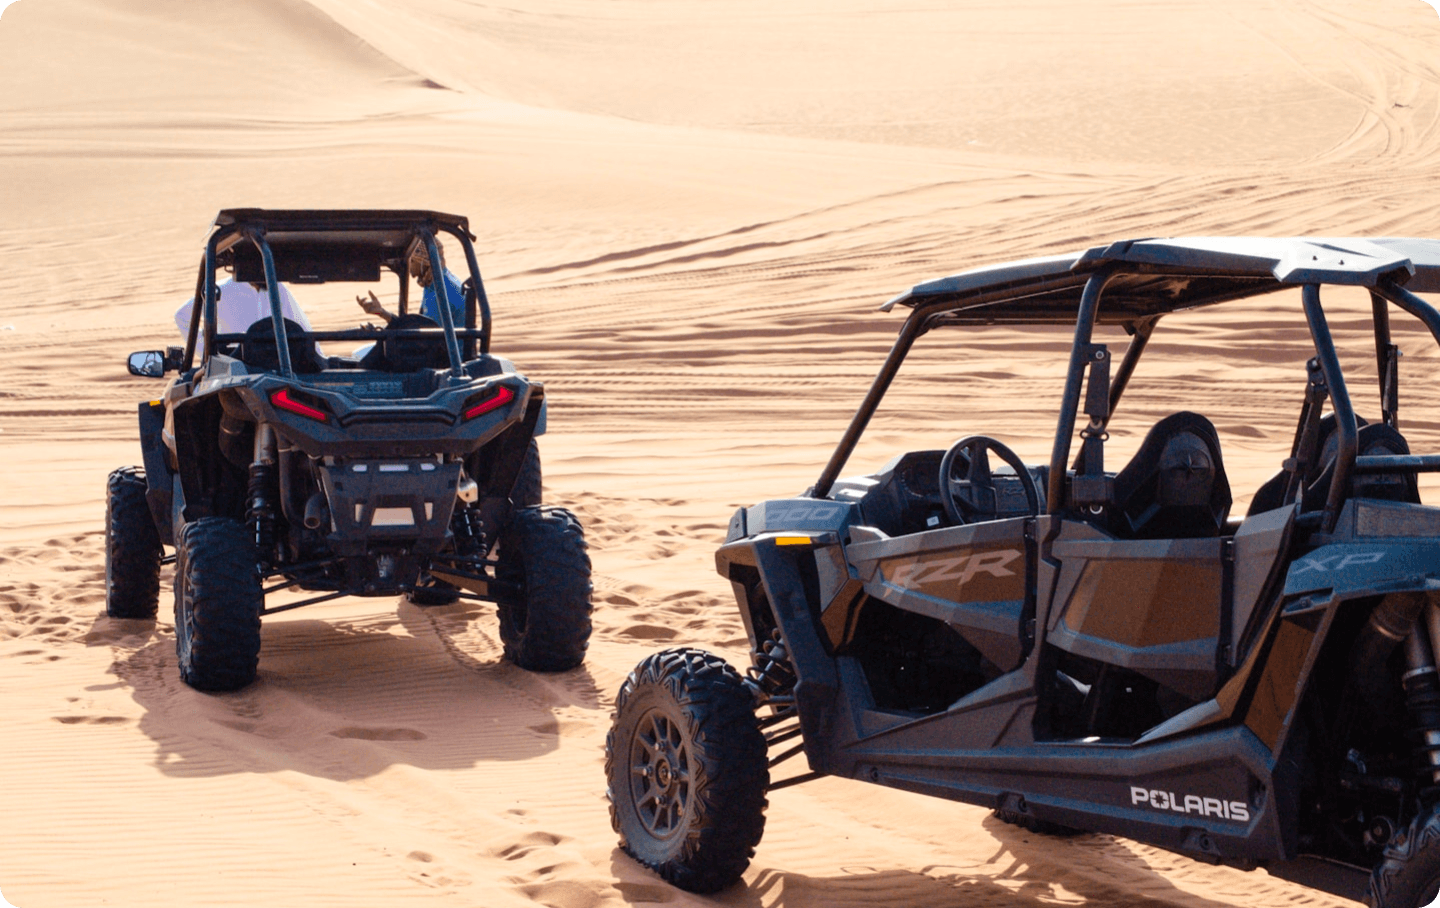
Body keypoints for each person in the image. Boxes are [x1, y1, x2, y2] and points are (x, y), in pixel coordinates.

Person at [176, 279, 312, 356]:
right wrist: (208, 353)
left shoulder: (277, 289)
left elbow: (302, 327)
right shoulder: (223, 290)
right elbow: (182, 316)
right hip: (235, 369)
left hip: (275, 364)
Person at [356, 245, 465, 327]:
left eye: (411, 260)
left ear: (423, 261)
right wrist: (382, 313)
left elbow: (425, 340)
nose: (408, 265)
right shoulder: (437, 281)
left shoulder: (439, 294)